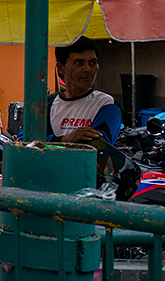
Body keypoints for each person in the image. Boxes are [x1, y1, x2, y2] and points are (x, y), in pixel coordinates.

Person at [46, 37, 123, 177]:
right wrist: (64, 140)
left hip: (87, 184)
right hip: (47, 178)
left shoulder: (107, 105)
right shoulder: (48, 104)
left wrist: (50, 143)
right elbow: (26, 141)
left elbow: (96, 148)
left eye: (93, 63)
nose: (88, 69)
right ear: (61, 68)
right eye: (79, 63)